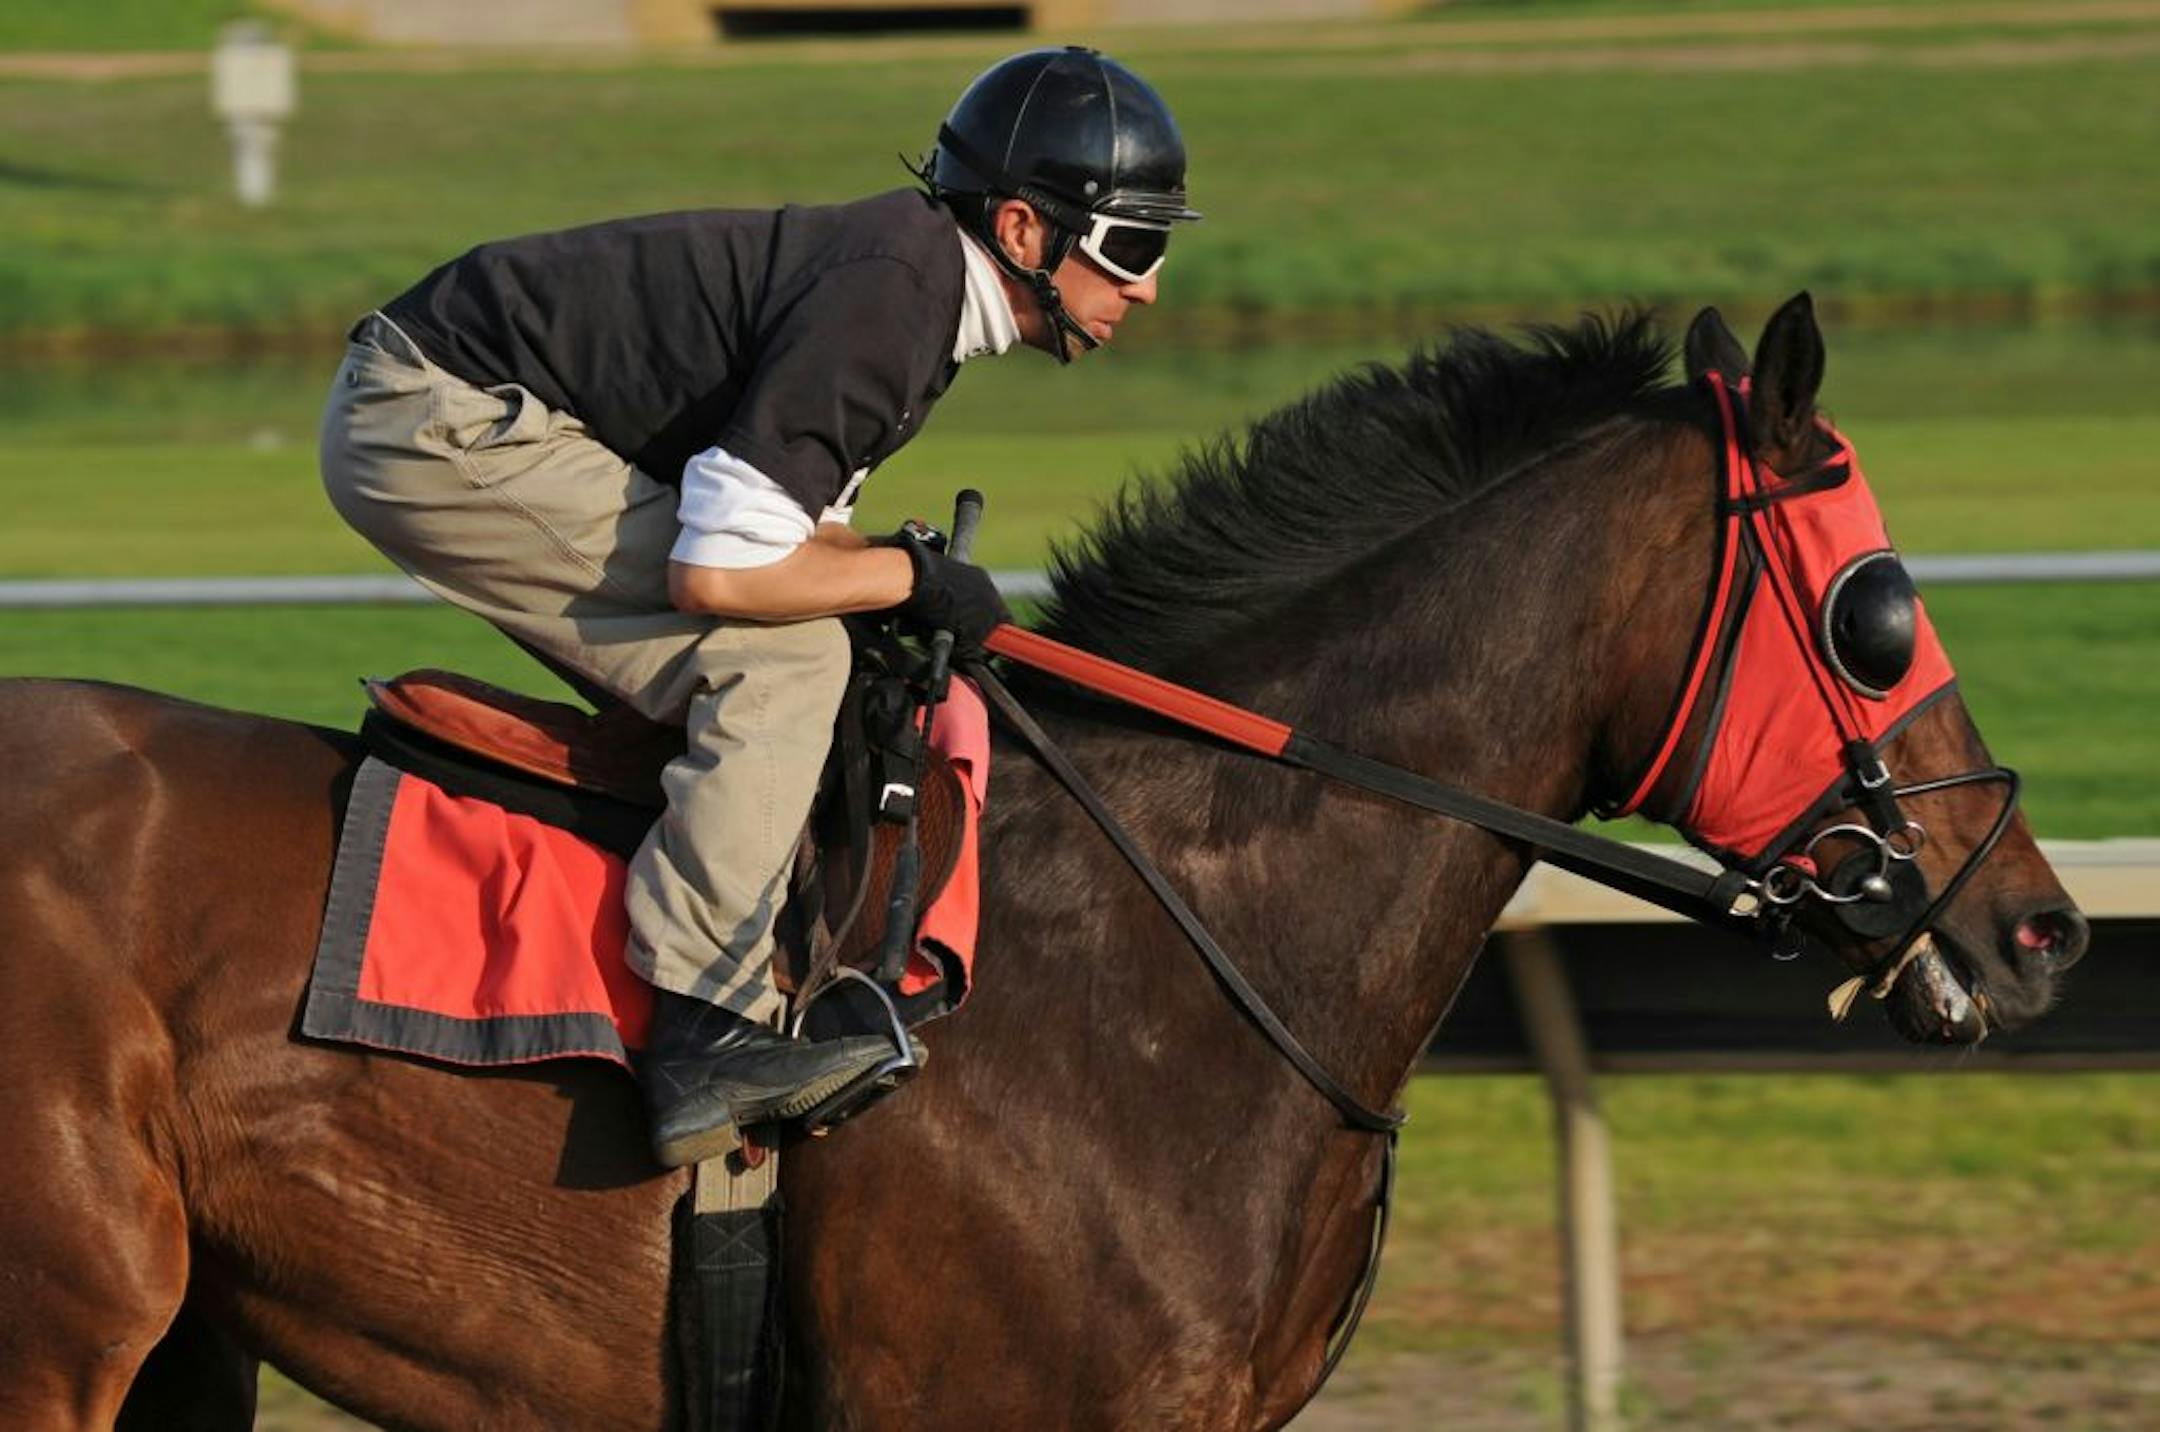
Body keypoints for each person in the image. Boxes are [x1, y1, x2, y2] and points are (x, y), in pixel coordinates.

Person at [317, 46, 1200, 1167]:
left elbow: (786, 536)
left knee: (819, 635)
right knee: (783, 667)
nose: (1148, 286)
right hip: (429, 419)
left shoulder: (914, 289)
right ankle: (702, 1031)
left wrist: (889, 565)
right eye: (1133, 245)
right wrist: (913, 577)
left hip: (450, 394)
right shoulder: (895, 302)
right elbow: (721, 579)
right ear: (1025, 231)